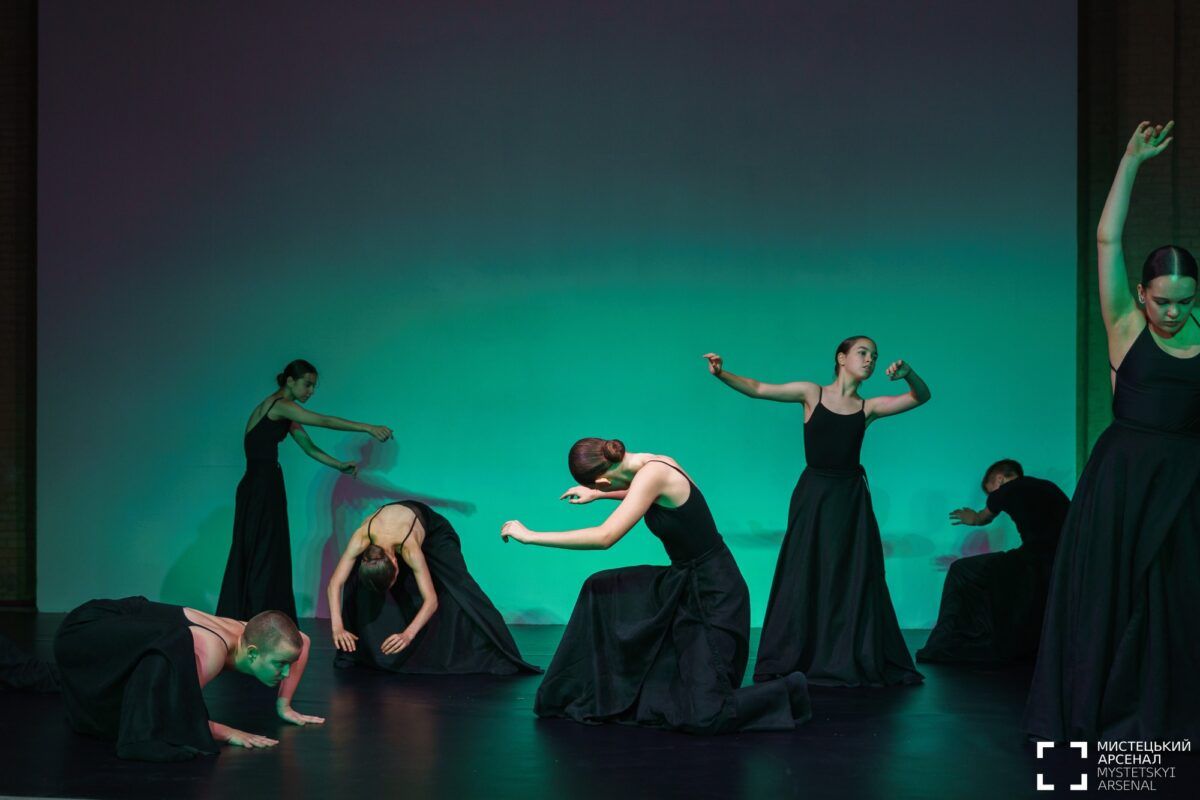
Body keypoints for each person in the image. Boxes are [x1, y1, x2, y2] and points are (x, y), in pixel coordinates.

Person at [1026, 121, 1200, 741]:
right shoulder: (1125, 325)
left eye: (1184, 301)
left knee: (1176, 601)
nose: (1173, 312)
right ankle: (1102, 709)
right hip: (1123, 482)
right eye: (1163, 300)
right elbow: (1107, 238)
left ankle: (1168, 713)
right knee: (1114, 597)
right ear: (1142, 294)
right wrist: (1130, 161)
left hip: (1184, 485)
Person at [501, 439, 810, 734]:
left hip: (716, 593)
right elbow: (639, 492)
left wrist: (531, 536)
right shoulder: (653, 462)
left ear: (603, 479)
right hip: (683, 581)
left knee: (706, 714)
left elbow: (604, 537)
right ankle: (583, 689)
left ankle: (788, 692)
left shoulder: (654, 474)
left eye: (599, 486)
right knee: (599, 587)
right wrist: (598, 494)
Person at [704, 339, 929, 687]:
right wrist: (722, 374)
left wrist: (909, 373)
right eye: (863, 353)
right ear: (841, 358)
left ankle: (843, 653)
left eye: (874, 356)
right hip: (815, 494)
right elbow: (759, 388)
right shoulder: (813, 393)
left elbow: (920, 397)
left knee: (850, 573)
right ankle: (799, 652)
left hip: (850, 499)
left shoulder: (867, 407)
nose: (870, 360)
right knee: (806, 568)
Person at [217, 359, 392, 622]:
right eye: (307, 384)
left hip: (260, 482)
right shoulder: (280, 405)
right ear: (290, 381)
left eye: (313, 387)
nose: (310, 391)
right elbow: (324, 420)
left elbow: (308, 447)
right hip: (262, 483)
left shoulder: (282, 411)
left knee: (264, 549)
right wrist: (367, 427)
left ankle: (259, 615)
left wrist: (338, 465)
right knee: (263, 549)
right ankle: (256, 615)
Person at [53, 596, 322, 761]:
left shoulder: (252, 633)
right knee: (172, 649)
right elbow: (177, 713)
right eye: (280, 665)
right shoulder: (211, 652)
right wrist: (229, 733)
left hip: (123, 622)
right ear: (252, 653)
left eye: (289, 664)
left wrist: (284, 705)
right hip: (86, 632)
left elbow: (304, 641)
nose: (286, 672)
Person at [326, 501, 540, 674]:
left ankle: (500, 650)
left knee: (460, 588)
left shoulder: (409, 549)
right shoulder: (361, 538)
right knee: (357, 579)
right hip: (391, 522)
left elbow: (431, 600)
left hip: (433, 532)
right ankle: (357, 652)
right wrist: (337, 626)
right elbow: (335, 583)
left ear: (395, 563)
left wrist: (407, 635)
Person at [916, 459, 1068, 663]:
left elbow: (981, 518)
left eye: (990, 492)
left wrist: (970, 517)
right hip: (1062, 560)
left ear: (999, 479)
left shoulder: (1006, 489)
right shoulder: (1048, 487)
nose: (992, 497)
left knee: (961, 570)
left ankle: (946, 642)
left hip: (1034, 560)